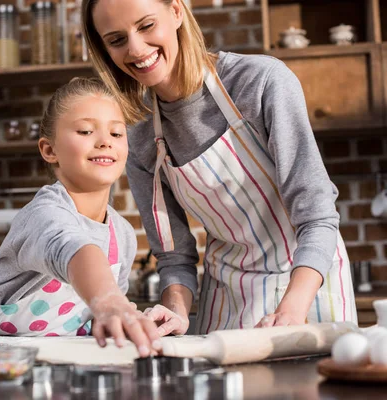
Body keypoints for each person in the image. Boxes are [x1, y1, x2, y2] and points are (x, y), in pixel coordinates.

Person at [81, 0, 357, 336]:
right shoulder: (138, 131)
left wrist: (292, 310)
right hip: (227, 295)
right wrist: (176, 313)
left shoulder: (261, 82)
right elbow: (174, 257)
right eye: (117, 39)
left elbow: (317, 216)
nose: (136, 49)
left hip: (306, 284)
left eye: (146, 25)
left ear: (177, 11)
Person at [0, 77, 162, 357]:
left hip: (57, 370)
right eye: (86, 131)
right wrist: (109, 300)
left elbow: (105, 318)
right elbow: (72, 249)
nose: (104, 142)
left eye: (116, 133)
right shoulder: (43, 214)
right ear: (49, 150)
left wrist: (131, 320)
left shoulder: (122, 235)